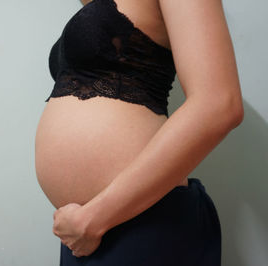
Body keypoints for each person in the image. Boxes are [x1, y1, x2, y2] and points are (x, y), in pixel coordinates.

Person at [34, 0, 243, 265]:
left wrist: (96, 217)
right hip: (81, 233)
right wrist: (85, 222)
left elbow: (219, 104)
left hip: (138, 222)